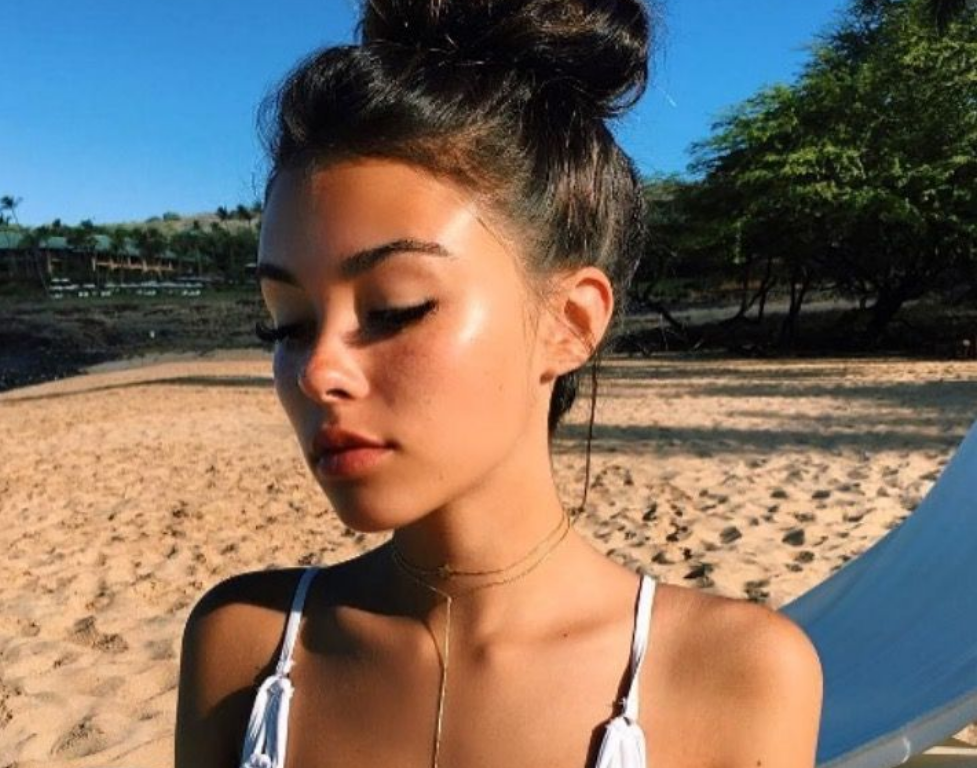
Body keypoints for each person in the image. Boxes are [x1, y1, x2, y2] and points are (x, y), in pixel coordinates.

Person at [175, 1, 824, 766]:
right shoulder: (246, 646)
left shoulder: (735, 676)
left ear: (568, 322)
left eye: (394, 309)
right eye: (286, 323)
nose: (317, 371)